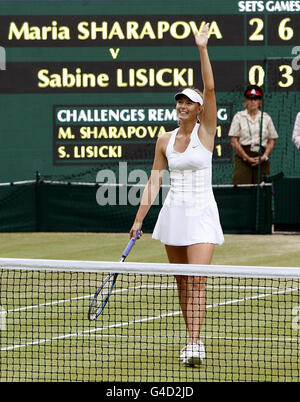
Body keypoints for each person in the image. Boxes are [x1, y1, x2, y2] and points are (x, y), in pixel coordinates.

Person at [129, 23, 224, 366]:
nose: (183, 105)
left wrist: (202, 48)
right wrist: (139, 220)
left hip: (201, 213)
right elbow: (154, 181)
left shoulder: (207, 131)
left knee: (198, 282)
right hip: (173, 214)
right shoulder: (164, 140)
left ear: (200, 109)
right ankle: (190, 340)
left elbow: (210, 88)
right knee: (183, 284)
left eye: (190, 102)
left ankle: (196, 344)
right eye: (180, 101)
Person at [228, 85, 278, 185]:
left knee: (264, 188)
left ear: (260, 101)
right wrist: (246, 157)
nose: (253, 101)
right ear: (246, 101)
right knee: (241, 187)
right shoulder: (239, 116)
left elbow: (271, 140)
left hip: (261, 158)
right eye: (250, 98)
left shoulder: (266, 118)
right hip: (243, 158)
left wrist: (264, 156)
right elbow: (234, 141)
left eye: (256, 99)